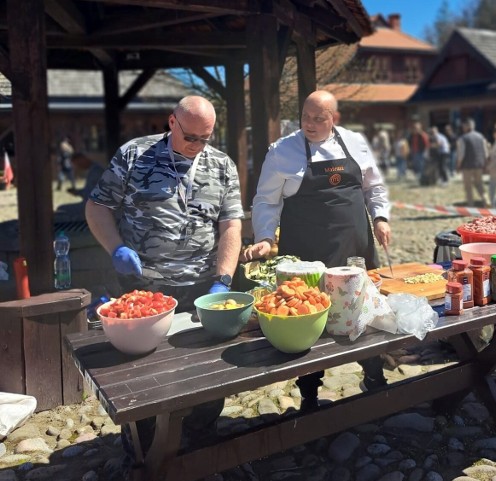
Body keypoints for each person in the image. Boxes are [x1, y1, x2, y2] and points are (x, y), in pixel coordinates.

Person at [85, 95, 244, 465]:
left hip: (200, 287)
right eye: (192, 138)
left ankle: (202, 440)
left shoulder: (221, 165)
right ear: (171, 122)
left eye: (207, 138)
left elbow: (231, 224)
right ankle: (142, 447)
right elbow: (97, 207)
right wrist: (115, 248)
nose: (199, 147)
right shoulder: (134, 155)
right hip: (144, 289)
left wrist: (224, 278)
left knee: (207, 370)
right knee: (141, 376)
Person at [243, 90, 391, 409]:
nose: (309, 124)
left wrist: (380, 218)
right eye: (305, 117)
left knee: (363, 310)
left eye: (318, 118)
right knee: (307, 317)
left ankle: (375, 374)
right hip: (307, 254)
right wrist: (266, 237)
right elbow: (267, 200)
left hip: (355, 247)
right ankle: (309, 391)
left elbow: (373, 187)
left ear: (333, 118)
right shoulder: (282, 151)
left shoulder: (355, 142)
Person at [55, 153, 105, 220]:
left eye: (77, 164)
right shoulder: (93, 170)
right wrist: (77, 192)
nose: (78, 167)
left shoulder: (96, 171)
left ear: (82, 159)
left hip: (95, 207)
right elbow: (89, 192)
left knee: (61, 210)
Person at [456, 118, 489, 207]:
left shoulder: (462, 138)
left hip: (467, 166)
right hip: (479, 165)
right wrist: (485, 164)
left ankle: (471, 206)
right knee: (480, 184)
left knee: (468, 187)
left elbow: (461, 155)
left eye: (464, 126)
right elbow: (485, 153)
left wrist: (458, 166)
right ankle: (486, 201)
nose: (463, 128)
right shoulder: (481, 136)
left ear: (467, 127)